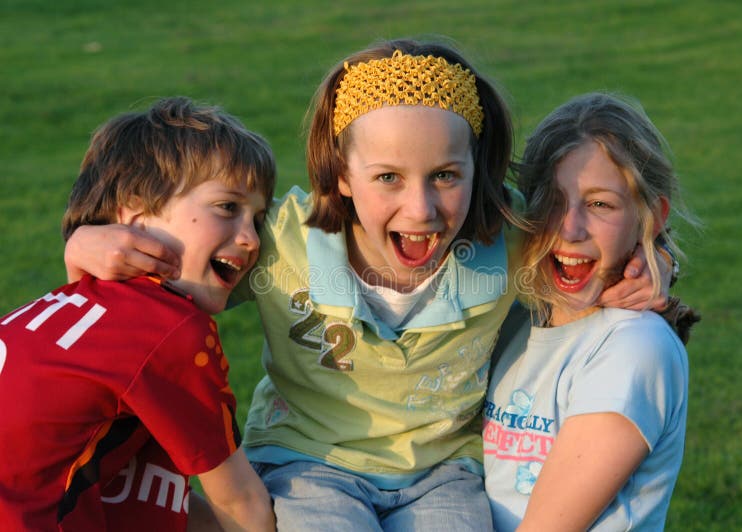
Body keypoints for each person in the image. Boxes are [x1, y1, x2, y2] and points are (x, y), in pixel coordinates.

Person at [63, 40, 670, 530]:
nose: (422, 206)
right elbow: (186, 269)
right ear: (341, 175)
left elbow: (585, 247)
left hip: (442, 474)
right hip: (308, 463)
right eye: (388, 177)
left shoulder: (503, 242)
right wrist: (83, 243)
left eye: (445, 176)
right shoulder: (282, 243)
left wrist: (652, 264)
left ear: (475, 168)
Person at [0, 97, 277, 531]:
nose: (250, 240)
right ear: (136, 214)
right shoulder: (169, 328)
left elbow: (160, 504)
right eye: (227, 207)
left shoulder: (68, 305)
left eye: (257, 219)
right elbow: (242, 505)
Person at [483, 92, 701, 531]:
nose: (570, 228)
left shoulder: (635, 348)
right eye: (552, 202)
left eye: (600, 204)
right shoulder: (508, 323)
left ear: (651, 218)